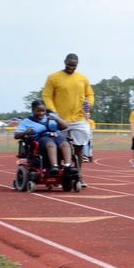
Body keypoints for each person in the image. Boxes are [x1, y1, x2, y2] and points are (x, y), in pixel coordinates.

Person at [42, 53, 94, 185]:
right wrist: (53, 112)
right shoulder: (53, 77)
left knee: (79, 147)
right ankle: (58, 176)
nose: (71, 67)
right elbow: (46, 95)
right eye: (69, 64)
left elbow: (90, 94)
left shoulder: (83, 78)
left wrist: (89, 104)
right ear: (65, 62)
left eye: (74, 65)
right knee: (59, 146)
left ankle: (77, 175)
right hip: (60, 119)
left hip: (78, 118)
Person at [14, 100, 74, 176]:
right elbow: (16, 135)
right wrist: (25, 132)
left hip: (56, 135)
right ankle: (54, 166)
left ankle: (68, 166)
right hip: (41, 138)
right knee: (51, 145)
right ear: (32, 110)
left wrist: (56, 119)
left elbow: (65, 126)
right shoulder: (27, 121)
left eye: (43, 111)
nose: (41, 113)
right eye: (38, 111)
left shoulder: (51, 115)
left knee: (65, 144)